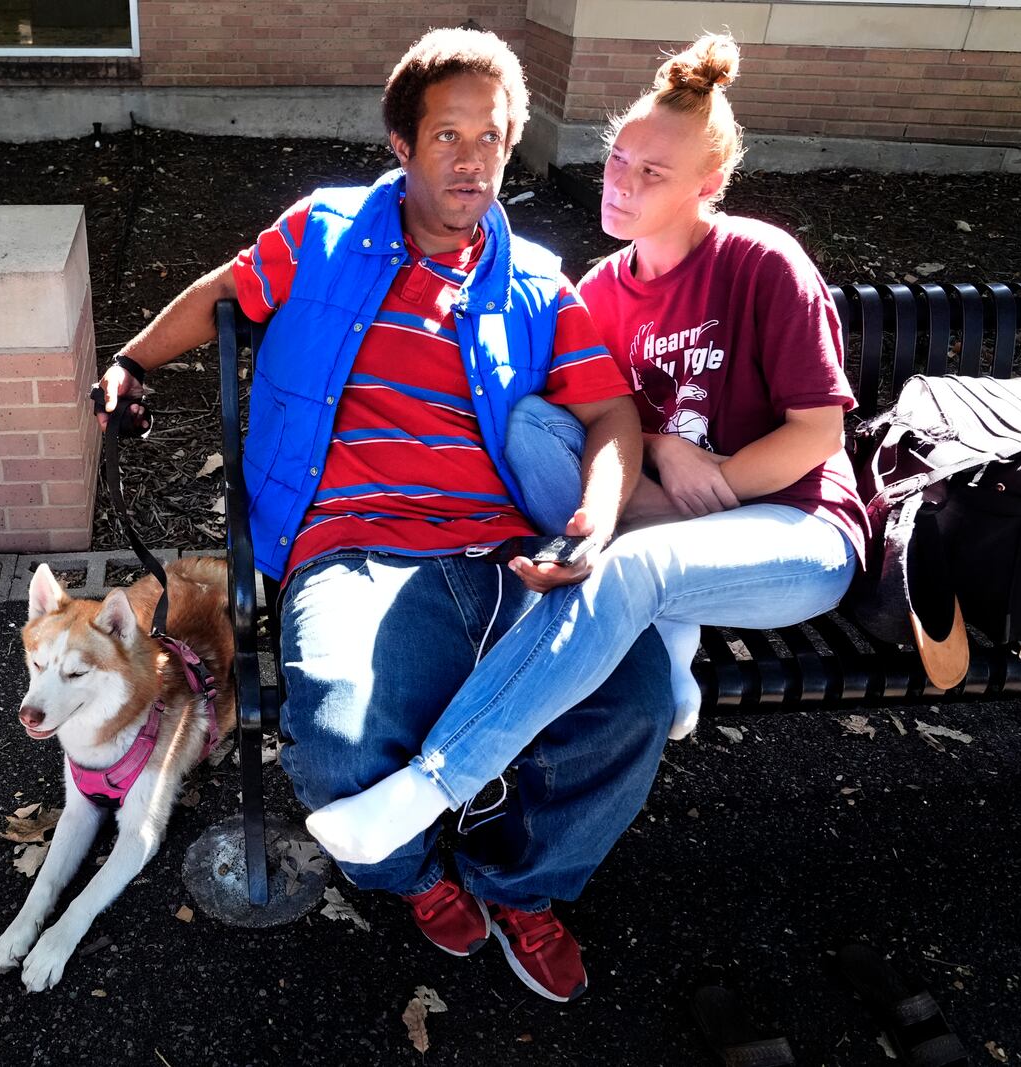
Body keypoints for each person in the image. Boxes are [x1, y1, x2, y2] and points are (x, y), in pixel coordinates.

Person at [96, 28, 674, 1003]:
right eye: (447, 135)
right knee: (332, 734)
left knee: (635, 697)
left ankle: (520, 884)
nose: (471, 158)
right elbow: (229, 291)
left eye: (490, 137)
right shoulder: (322, 232)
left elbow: (610, 410)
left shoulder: (532, 278)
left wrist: (594, 516)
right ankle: (415, 874)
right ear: (401, 146)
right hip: (352, 549)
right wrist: (133, 361)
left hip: (502, 551)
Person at [303, 33, 871, 869]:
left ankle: (432, 784)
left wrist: (710, 478)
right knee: (531, 422)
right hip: (665, 518)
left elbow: (819, 433)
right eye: (618, 160)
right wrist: (657, 448)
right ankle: (663, 632)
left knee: (632, 570)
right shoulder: (601, 289)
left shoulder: (760, 262)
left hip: (791, 529)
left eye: (653, 174)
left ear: (708, 185)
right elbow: (587, 424)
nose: (621, 183)